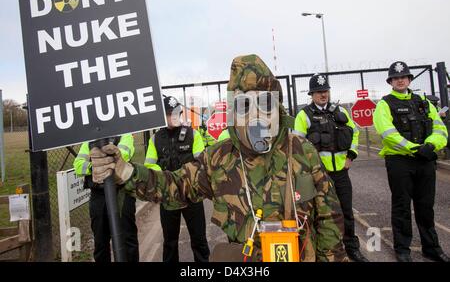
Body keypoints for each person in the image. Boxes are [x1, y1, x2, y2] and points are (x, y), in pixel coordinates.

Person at [89, 54, 347, 262]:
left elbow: (329, 216)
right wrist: (127, 173)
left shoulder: (301, 150)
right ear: (234, 111)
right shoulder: (219, 159)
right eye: (245, 105)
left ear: (278, 107)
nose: (257, 115)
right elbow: (174, 186)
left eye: (265, 103)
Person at [373, 61, 449, 262]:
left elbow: (440, 129)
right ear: (391, 81)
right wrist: (416, 149)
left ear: (409, 79)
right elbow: (388, 134)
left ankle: (431, 247)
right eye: (396, 78)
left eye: (404, 77)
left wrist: (431, 145)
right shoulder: (384, 104)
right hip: (400, 162)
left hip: (424, 160)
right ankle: (403, 249)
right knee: (402, 206)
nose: (400, 80)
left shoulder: (423, 102)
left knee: (426, 206)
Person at [293, 74, 368, 262]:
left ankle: (351, 248)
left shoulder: (340, 111)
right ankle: (321, 250)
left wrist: (351, 155)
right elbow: (297, 145)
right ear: (312, 94)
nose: (323, 94)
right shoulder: (304, 115)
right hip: (317, 177)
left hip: (341, 173)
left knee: (346, 212)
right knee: (319, 214)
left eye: (325, 91)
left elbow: (355, 133)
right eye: (319, 92)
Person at [144, 96, 210, 262]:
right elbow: (149, 165)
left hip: (192, 196)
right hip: (168, 198)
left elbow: (201, 162)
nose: (173, 116)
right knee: (170, 243)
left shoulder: (193, 135)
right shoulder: (155, 139)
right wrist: (166, 180)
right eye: (169, 113)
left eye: (176, 113)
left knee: (199, 240)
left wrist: (183, 178)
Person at [73, 134, 139, 262]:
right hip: (98, 195)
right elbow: (78, 166)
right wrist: (94, 167)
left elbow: (123, 156)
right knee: (100, 241)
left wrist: (101, 163)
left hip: (121, 192)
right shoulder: (89, 140)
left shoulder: (125, 135)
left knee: (127, 239)